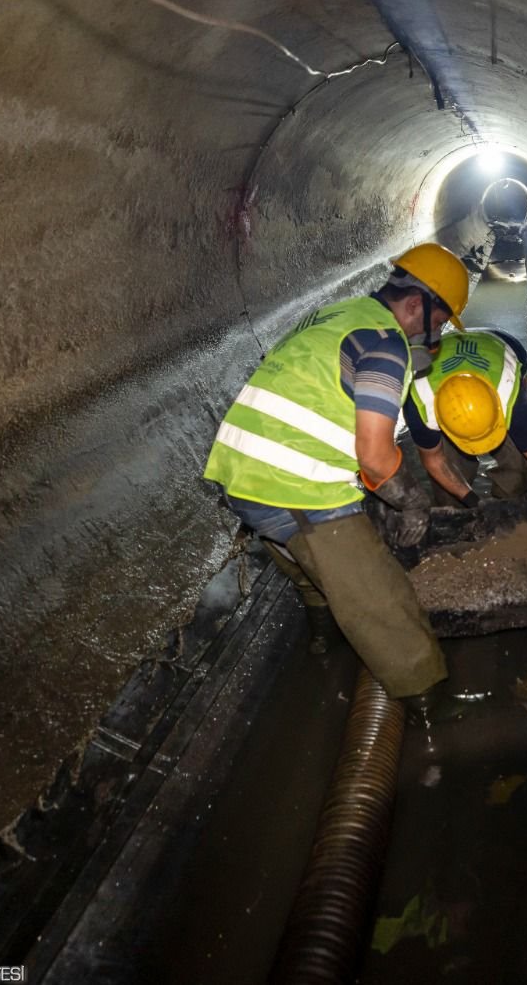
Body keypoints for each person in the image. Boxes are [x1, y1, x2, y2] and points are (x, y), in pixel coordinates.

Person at [201, 243, 470, 707]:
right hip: (293, 482)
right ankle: (428, 707)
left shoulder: (338, 313)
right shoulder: (387, 345)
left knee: (307, 563)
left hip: (237, 469)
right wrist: (413, 501)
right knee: (385, 608)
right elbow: (374, 455)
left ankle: (322, 639)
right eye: (440, 322)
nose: (437, 335)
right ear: (415, 306)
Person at [402, 327, 527, 506]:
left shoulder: (510, 394)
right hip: (446, 355)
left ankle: (513, 508)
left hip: (497, 344)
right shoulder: (420, 403)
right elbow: (435, 461)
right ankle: (456, 518)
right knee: (448, 492)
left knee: (517, 472)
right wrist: (472, 500)